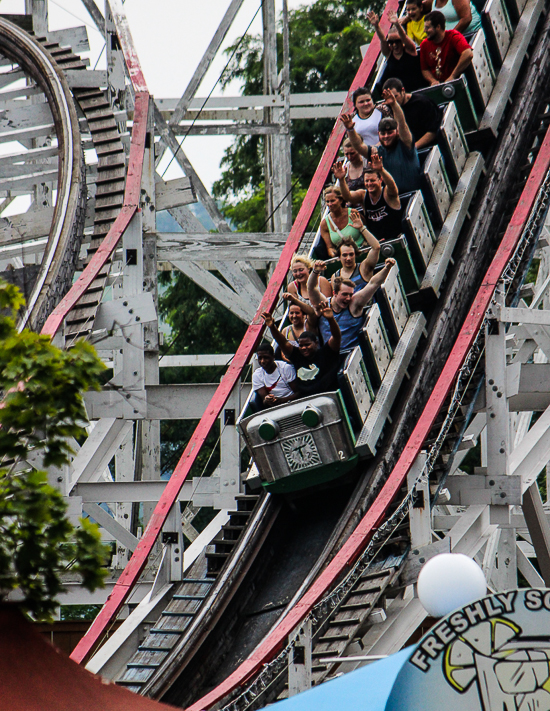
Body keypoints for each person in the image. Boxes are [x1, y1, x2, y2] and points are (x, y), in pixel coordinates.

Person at [341, 92, 422, 194]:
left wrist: (394, 105)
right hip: (393, 199)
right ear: (378, 134)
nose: (386, 136)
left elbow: (402, 124)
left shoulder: (405, 144)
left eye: (390, 132)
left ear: (396, 132)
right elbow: (359, 146)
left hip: (414, 194)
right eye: (383, 134)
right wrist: (350, 130)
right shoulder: (377, 152)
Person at [308, 258, 397, 351]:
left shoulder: (353, 304)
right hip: (332, 355)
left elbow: (373, 284)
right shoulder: (325, 304)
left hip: (353, 353)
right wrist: (315, 271)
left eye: (350, 294)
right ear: (335, 293)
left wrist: (387, 267)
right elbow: (311, 288)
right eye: (344, 294)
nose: (348, 298)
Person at [261, 303, 342, 396]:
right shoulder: (297, 356)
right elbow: (282, 342)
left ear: (316, 343)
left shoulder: (326, 353)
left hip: (327, 394)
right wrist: (272, 327)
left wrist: (331, 319)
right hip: (305, 397)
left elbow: (336, 336)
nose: (304, 348)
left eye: (307, 345)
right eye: (301, 345)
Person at [333, 152, 403, 242]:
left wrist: (381, 170)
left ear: (380, 180)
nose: (369, 184)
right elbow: (347, 197)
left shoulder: (387, 193)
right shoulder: (363, 195)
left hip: (396, 239)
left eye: (372, 180)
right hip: (377, 243)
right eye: (367, 181)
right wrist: (341, 180)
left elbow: (392, 186)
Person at [368, 10, 427, 92]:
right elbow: (383, 40)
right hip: (401, 94)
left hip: (418, 90)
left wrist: (397, 24)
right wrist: (376, 26)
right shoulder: (389, 54)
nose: (395, 45)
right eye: (391, 42)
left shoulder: (410, 50)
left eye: (397, 41)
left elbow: (405, 37)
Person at [382, 77, 442, 148]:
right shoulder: (388, 110)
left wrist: (414, 148)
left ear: (403, 90)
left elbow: (433, 131)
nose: (394, 100)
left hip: (430, 147)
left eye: (395, 96)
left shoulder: (422, 103)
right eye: (390, 98)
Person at [420, 11, 473, 85]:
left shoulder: (453, 36)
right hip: (439, 85)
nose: (424, 31)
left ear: (438, 27)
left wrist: (453, 76)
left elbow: (468, 53)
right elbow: (425, 69)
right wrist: (432, 81)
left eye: (428, 28)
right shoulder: (424, 45)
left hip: (458, 82)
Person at [320, 187, 366, 258]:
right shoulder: (324, 224)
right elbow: (330, 247)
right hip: (345, 257)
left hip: (361, 251)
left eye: (332, 201)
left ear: (340, 200)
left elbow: (366, 230)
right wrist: (334, 254)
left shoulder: (353, 213)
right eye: (327, 201)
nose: (330, 204)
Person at [252, 343, 298, 410]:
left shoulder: (285, 368)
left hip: (293, 403)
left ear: (273, 357)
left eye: (266, 357)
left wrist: (282, 400)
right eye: (260, 358)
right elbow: (264, 399)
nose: (262, 361)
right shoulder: (257, 375)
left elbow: (298, 392)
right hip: (275, 407)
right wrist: (268, 400)